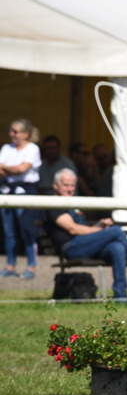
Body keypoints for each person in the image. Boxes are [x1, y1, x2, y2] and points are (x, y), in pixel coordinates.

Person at [44, 169, 127, 299]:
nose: (70, 189)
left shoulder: (71, 202)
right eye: (66, 185)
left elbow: (82, 229)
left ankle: (120, 295)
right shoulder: (53, 202)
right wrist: (100, 231)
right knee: (115, 231)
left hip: (84, 245)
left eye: (72, 185)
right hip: (71, 248)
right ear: (55, 185)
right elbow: (73, 229)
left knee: (117, 247)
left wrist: (98, 226)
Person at [0, 119, 42, 279]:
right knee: (8, 232)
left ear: (26, 134)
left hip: (25, 192)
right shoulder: (6, 148)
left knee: (26, 229)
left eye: (16, 131)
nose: (12, 134)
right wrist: (14, 169)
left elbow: (23, 169)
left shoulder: (32, 149)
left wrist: (6, 168)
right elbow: (12, 169)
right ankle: (10, 265)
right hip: (7, 191)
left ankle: (31, 266)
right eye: (11, 131)